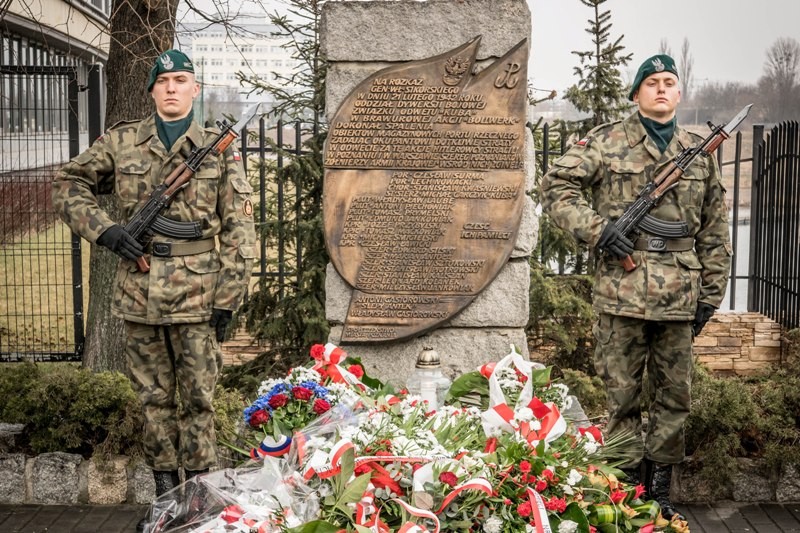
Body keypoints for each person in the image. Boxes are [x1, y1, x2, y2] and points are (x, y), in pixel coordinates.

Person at [52, 49, 256, 530]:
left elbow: (239, 231)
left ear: (194, 89)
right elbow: (67, 184)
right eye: (162, 80)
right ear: (150, 90)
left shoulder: (216, 147)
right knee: (153, 402)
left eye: (181, 79)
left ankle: (200, 502)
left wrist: (228, 298)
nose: (171, 88)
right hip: (140, 292)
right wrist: (105, 230)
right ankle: (166, 501)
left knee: (199, 400)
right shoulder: (122, 142)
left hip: (200, 297)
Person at [540, 54, 732, 521]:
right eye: (652, 83)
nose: (662, 89)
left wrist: (711, 293)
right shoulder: (606, 141)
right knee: (621, 397)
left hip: (680, 295)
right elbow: (556, 186)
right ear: (636, 93)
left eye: (670, 82)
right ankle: (621, 491)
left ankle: (660, 493)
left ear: (680, 93)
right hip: (622, 292)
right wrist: (598, 229)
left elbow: (713, 228)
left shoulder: (698, 150)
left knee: (674, 398)